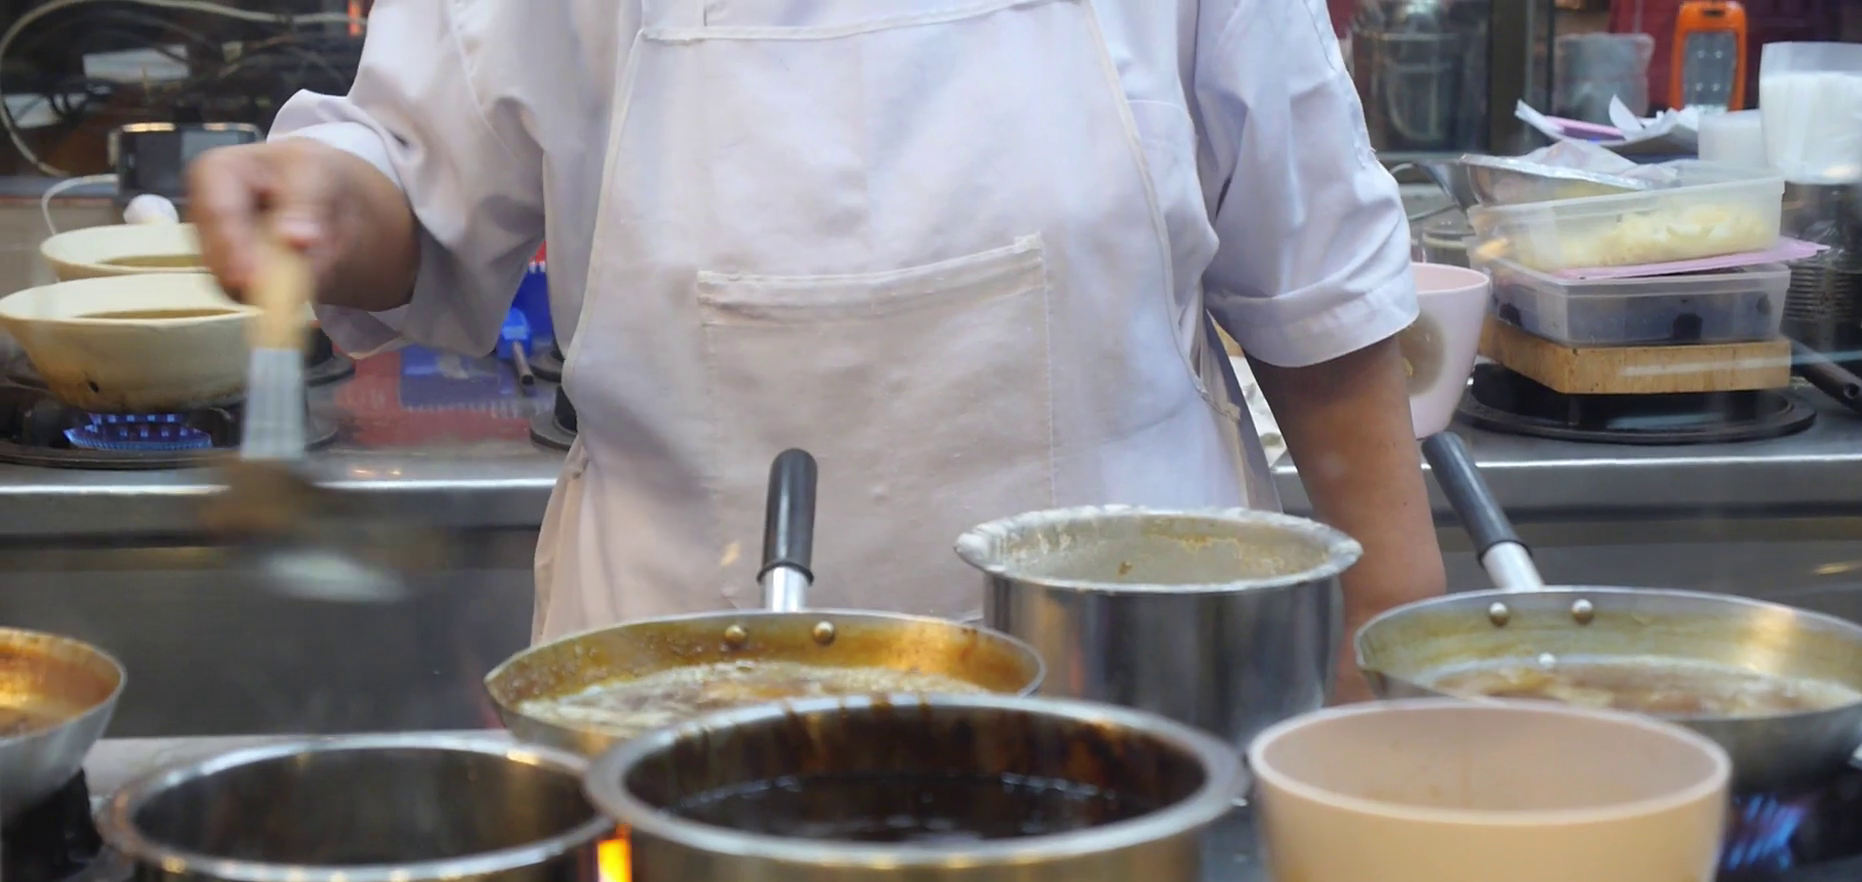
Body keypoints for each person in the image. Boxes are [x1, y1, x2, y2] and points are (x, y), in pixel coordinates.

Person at [190, 0, 1446, 702]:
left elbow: (1315, 289)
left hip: (1133, 710)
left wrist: (1396, 666)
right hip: (673, 713)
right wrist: (321, 202)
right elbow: (414, 181)